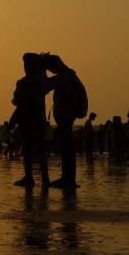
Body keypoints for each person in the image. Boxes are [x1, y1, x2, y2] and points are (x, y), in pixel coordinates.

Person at [43, 54, 87, 189]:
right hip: (66, 116)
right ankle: (67, 178)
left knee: (66, 147)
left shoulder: (65, 77)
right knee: (66, 147)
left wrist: (41, 72)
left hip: (66, 117)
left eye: (50, 68)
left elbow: (45, 86)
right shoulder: (69, 76)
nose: (51, 71)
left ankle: (68, 179)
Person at [9, 53, 52, 187]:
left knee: (28, 150)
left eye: (27, 65)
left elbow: (19, 103)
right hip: (39, 120)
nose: (25, 67)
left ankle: (29, 177)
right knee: (41, 150)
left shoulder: (23, 83)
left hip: (27, 121)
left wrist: (13, 119)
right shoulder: (41, 83)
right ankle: (44, 178)